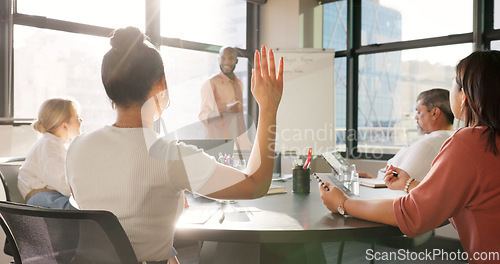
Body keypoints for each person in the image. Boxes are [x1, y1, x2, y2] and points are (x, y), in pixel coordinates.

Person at [66, 26, 283, 264]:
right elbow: (256, 185)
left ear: (109, 89)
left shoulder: (76, 148)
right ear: (161, 85)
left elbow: (104, 218)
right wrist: (268, 107)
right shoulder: (171, 157)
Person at [319, 50, 500, 263]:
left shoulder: (468, 143)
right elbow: (466, 194)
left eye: (453, 83)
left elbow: (413, 214)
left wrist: (343, 203)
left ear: (464, 96)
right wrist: (411, 184)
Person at [362, 88, 455, 181]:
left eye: (419, 112)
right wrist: (371, 178)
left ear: (435, 113)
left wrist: (374, 179)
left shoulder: (429, 144)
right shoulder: (449, 139)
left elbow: (398, 181)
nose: (416, 117)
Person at [17, 98, 82, 209]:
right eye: (77, 118)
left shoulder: (58, 144)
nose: (81, 121)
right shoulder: (48, 146)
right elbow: (63, 184)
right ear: (64, 126)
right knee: (75, 208)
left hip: (52, 193)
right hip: (40, 196)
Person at [198, 46, 253, 150]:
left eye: (231, 58)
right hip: (216, 147)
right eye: (223, 58)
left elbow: (239, 118)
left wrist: (246, 144)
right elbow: (203, 116)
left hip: (236, 146)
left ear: (236, 61)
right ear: (218, 60)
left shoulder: (239, 84)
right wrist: (226, 110)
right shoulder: (210, 84)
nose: (226, 62)